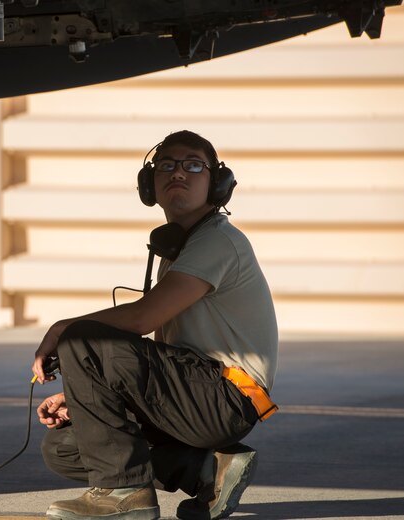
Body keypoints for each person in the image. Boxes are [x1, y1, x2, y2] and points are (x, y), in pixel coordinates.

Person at [31, 130, 278, 520]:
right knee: (63, 445)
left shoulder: (217, 241)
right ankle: (206, 471)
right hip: (192, 390)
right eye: (166, 165)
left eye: (193, 165)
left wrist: (63, 328)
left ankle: (121, 495)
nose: (178, 173)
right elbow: (158, 347)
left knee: (82, 338)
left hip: (225, 396)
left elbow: (143, 317)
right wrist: (87, 395)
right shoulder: (181, 247)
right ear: (150, 184)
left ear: (217, 183)